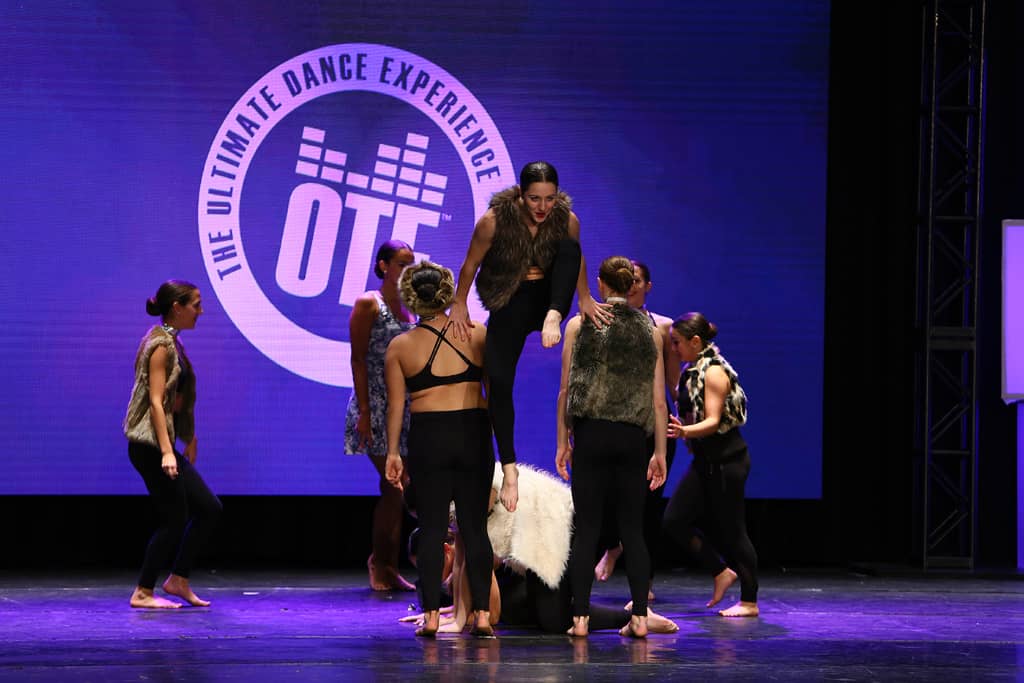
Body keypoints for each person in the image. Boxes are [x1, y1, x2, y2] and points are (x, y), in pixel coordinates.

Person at [448, 161, 613, 511]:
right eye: (535, 199)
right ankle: (509, 468)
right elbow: (469, 264)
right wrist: (459, 302)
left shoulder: (565, 218)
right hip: (510, 301)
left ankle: (554, 315)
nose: (542, 207)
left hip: (548, 300)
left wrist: (583, 298)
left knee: (570, 247)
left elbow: (576, 262)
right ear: (521, 195)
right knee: (497, 380)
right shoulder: (494, 220)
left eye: (549, 199)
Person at [406, 465, 679, 636]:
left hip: (553, 524)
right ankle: (633, 613)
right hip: (532, 536)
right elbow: (461, 562)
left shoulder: (466, 491)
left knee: (554, 621)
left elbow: (476, 562)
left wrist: (459, 619)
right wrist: (453, 617)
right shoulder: (454, 504)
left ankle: (636, 615)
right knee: (539, 615)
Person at [383, 261, 500, 637]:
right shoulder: (477, 334)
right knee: (474, 528)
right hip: (473, 432)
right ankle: (481, 615)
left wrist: (392, 454)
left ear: (410, 297)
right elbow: (495, 397)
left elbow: (396, 408)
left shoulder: (400, 346)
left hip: (430, 437)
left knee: (432, 528)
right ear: (447, 292)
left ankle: (432, 615)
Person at [556, 256, 668, 638]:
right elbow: (658, 401)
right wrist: (660, 453)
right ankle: (639, 618)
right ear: (630, 284)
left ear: (602, 284)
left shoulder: (579, 324)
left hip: (590, 435)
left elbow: (565, 390)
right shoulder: (650, 330)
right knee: (632, 530)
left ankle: (582, 619)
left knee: (587, 528)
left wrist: (562, 442)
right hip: (632, 439)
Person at [123, 280, 222, 609]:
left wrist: (188, 437)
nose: (201, 311)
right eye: (195, 304)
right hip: (149, 445)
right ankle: (143, 591)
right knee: (175, 518)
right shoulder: (161, 345)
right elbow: (155, 401)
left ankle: (178, 579)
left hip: (160, 442)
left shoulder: (171, 342)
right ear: (176, 307)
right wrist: (168, 451)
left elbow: (176, 401)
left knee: (208, 509)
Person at [594, 260, 682, 601]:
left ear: (648, 285)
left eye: (638, 280)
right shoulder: (601, 321)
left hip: (652, 423)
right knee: (610, 495)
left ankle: (643, 585)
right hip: (616, 420)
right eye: (626, 279)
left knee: (647, 505)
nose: (631, 284)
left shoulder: (661, 326)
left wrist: (684, 422)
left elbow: (672, 384)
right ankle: (613, 547)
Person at [663, 312, 759, 617]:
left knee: (733, 530)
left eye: (677, 343)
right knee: (674, 521)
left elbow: (714, 421)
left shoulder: (715, 371)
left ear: (695, 341)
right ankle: (720, 572)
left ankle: (749, 601)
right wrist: (686, 428)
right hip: (706, 461)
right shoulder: (693, 370)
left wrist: (683, 431)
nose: (674, 349)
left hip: (728, 460)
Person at [343, 240, 416, 592]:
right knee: (394, 486)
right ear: (384, 265)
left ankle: (387, 564)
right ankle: (381, 564)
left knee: (400, 490)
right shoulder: (368, 303)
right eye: (402, 264)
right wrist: (366, 409)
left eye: (411, 264)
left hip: (404, 410)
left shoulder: (410, 308)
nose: (408, 270)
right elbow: (357, 358)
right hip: (373, 405)